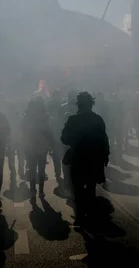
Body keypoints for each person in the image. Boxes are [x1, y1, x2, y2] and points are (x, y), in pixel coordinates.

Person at [61, 92, 110, 226]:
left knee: (77, 189)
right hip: (94, 160)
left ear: (79, 105)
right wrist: (106, 156)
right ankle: (91, 215)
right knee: (91, 188)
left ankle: (81, 217)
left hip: (78, 160)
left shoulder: (72, 119)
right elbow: (105, 140)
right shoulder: (98, 119)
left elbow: (64, 139)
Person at [23, 96, 55, 200]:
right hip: (42, 146)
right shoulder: (45, 116)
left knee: (32, 169)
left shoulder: (27, 116)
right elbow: (50, 131)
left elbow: (23, 131)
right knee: (41, 169)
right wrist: (51, 144)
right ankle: (41, 191)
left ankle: (33, 190)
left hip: (31, 146)